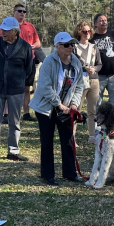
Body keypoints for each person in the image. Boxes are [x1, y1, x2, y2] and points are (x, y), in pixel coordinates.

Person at [29, 32, 86, 186]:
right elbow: (44, 87)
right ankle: (48, 175)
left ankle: (70, 173)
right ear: (57, 47)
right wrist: (59, 105)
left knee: (68, 140)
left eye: (72, 44)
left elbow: (80, 84)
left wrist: (74, 104)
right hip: (46, 107)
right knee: (47, 141)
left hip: (66, 107)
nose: (70, 47)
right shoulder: (49, 62)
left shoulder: (75, 61)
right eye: (66, 45)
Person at [0, 17, 33, 166]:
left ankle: (13, 151)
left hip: (16, 89)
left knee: (15, 121)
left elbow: (29, 68)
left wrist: (19, 81)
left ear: (15, 31)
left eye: (6, 30)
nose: (3, 32)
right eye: (2, 29)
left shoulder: (25, 46)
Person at [0, 5, 42, 122]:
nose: (22, 13)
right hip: (12, 61)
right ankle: (6, 114)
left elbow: (38, 42)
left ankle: (26, 113)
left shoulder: (30, 26)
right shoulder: (7, 25)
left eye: (24, 11)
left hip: (28, 60)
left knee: (27, 88)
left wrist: (31, 47)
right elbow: (1, 42)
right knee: (8, 87)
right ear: (14, 12)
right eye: (20, 11)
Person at [73, 21, 101, 140]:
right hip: (80, 80)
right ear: (79, 32)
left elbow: (100, 64)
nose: (87, 33)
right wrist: (85, 68)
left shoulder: (94, 47)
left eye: (89, 31)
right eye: (84, 31)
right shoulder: (74, 47)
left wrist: (94, 68)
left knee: (92, 109)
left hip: (94, 80)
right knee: (77, 108)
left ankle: (92, 135)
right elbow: (73, 63)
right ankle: (72, 137)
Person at [90, 14, 114, 111]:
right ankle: (97, 124)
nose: (104, 22)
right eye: (101, 20)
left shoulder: (113, 34)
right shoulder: (92, 38)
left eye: (105, 20)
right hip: (99, 76)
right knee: (97, 102)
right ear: (95, 23)